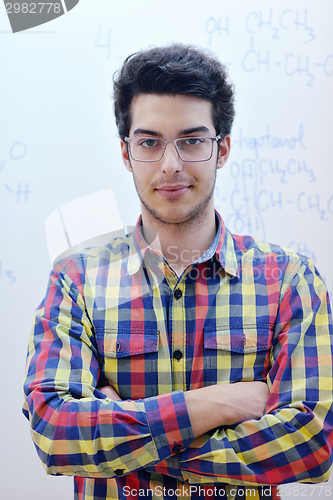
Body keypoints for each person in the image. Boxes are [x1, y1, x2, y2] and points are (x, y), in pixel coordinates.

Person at [23, 44, 333, 500]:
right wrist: (216, 404)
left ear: (221, 148)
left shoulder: (289, 279)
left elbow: (312, 444)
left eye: (192, 140)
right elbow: (54, 432)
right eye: (149, 142)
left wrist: (132, 444)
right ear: (127, 154)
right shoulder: (77, 280)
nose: (171, 164)